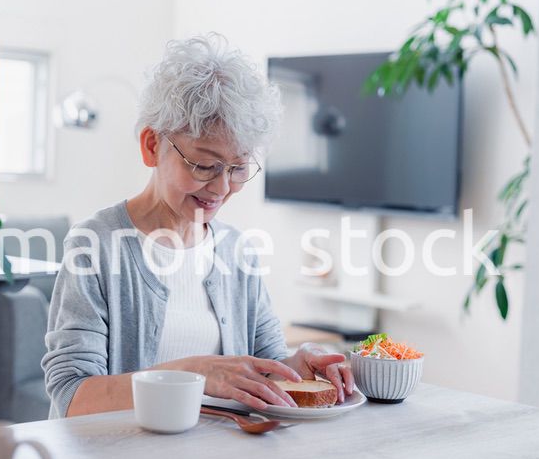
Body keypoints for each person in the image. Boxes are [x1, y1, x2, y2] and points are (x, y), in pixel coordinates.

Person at [42, 33, 354, 419]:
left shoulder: (237, 250)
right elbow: (73, 397)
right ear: (152, 146)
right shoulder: (96, 245)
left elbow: (267, 361)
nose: (222, 188)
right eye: (204, 165)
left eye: (238, 168)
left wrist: (298, 366)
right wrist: (193, 374)